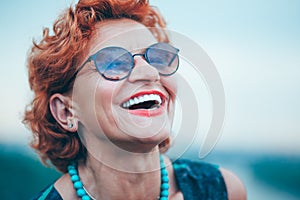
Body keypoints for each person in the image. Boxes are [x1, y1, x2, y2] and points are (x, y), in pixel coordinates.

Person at [24, 0, 246, 199]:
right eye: (113, 63)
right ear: (66, 111)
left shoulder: (223, 190)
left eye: (158, 57)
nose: (150, 72)